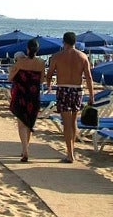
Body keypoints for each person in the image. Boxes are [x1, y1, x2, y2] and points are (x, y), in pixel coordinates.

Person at [46, 32, 94, 163]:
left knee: (67, 124)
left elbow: (49, 75)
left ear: (64, 42)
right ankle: (71, 151)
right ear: (75, 42)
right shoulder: (83, 56)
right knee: (73, 122)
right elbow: (89, 77)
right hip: (78, 90)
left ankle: (70, 154)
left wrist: (49, 86)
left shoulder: (57, 56)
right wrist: (92, 95)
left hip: (63, 89)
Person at [8, 39, 45, 162]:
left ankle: (25, 150)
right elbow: (41, 81)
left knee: (21, 124)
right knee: (29, 123)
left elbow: (10, 78)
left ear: (27, 49)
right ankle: (25, 149)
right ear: (37, 50)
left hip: (21, 95)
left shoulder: (20, 62)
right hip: (34, 96)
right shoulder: (41, 63)